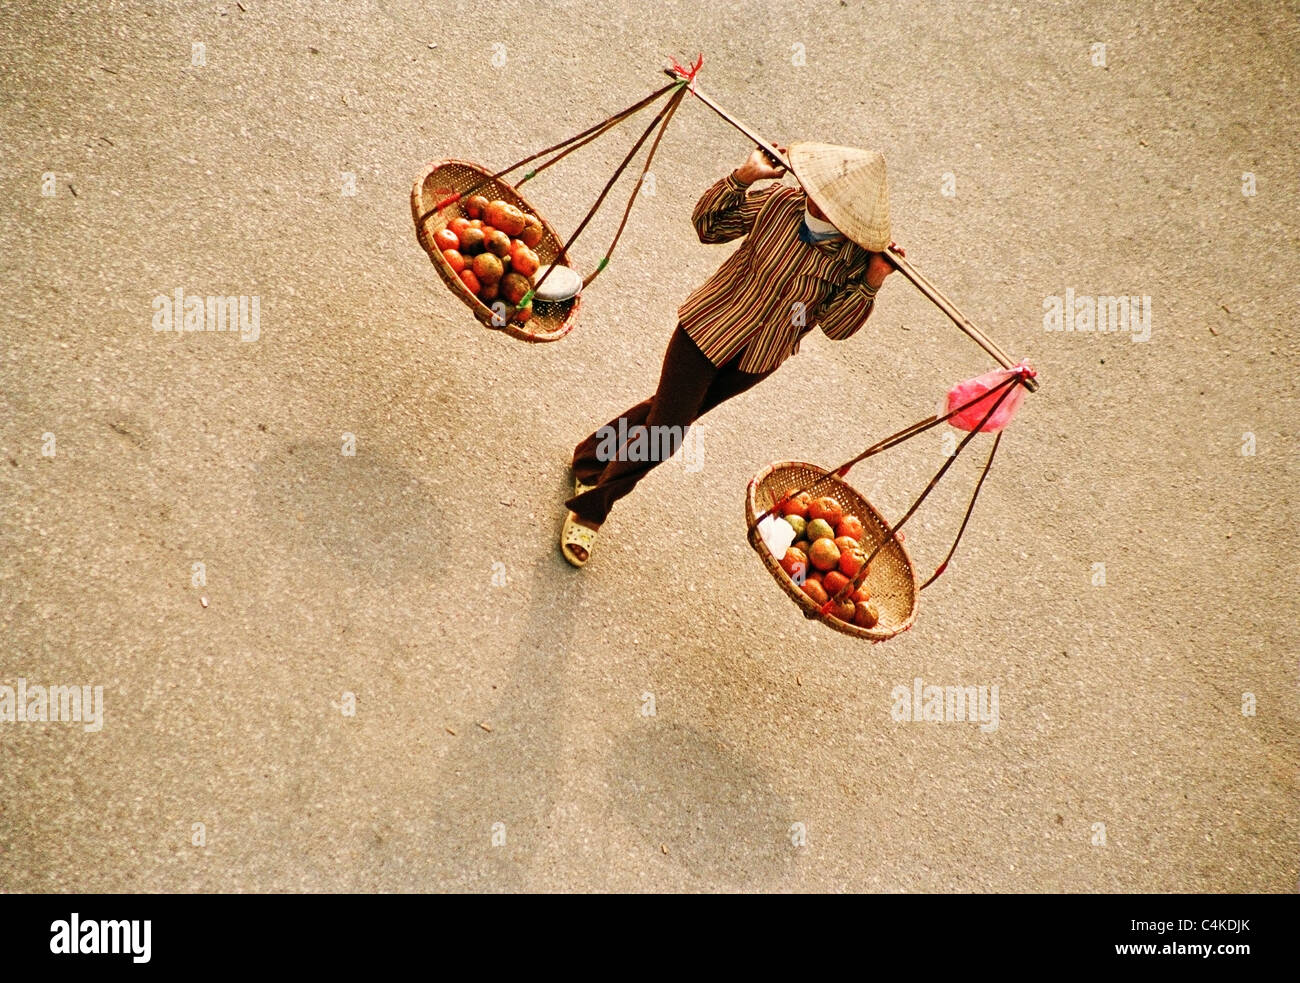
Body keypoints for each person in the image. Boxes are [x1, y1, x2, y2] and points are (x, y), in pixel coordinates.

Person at [560, 142, 904, 566]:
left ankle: (590, 460)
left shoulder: (854, 257)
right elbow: (707, 226)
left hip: (757, 357)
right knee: (667, 433)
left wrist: (872, 281)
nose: (821, 202)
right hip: (707, 327)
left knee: (664, 415)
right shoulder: (778, 203)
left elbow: (838, 327)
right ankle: (591, 509)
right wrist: (744, 177)